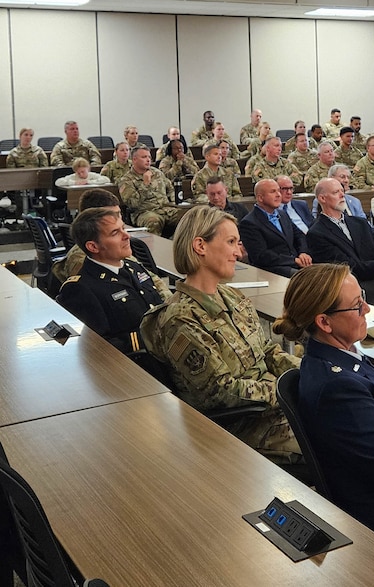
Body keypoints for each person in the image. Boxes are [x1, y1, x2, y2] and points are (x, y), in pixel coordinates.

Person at [271, 264, 374, 551]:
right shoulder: (338, 388)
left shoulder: (344, 356)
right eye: (357, 306)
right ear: (324, 322)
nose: (368, 310)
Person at [141, 205, 301, 464]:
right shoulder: (180, 319)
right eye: (231, 242)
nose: (239, 252)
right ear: (200, 246)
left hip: (274, 408)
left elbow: (268, 350)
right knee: (336, 442)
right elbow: (222, 391)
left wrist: (304, 374)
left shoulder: (232, 296)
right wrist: (286, 391)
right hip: (243, 425)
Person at [58, 208, 169, 354]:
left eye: (123, 228)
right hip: (138, 365)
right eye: (115, 233)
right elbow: (97, 348)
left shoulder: (134, 267)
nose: (126, 236)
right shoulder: (80, 289)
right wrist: (152, 338)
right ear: (93, 246)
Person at [307, 178, 374, 309]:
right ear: (322, 199)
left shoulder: (359, 222)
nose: (343, 195)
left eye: (342, 191)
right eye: (336, 192)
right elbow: (344, 267)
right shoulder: (317, 233)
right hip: (354, 285)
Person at [238, 178, 311, 277]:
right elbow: (261, 256)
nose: (278, 195)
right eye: (273, 192)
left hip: (295, 263)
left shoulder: (283, 214)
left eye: (278, 190)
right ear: (260, 198)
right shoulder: (249, 223)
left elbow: (299, 235)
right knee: (309, 279)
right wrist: (294, 260)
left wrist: (303, 253)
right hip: (272, 270)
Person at [119, 146, 177, 236]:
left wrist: (173, 203)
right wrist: (145, 184)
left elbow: (170, 188)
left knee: (187, 216)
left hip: (165, 209)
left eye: (149, 157)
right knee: (154, 221)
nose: (148, 160)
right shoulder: (126, 180)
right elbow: (133, 203)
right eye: (144, 157)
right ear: (134, 160)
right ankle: (153, 249)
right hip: (144, 213)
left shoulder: (157, 173)